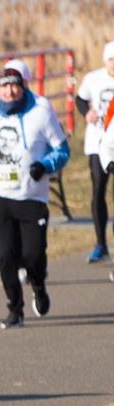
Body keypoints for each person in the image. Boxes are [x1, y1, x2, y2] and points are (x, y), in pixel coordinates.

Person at [0, 59, 69, 328]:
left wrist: (44, 165)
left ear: (23, 87)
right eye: (4, 87)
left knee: (34, 256)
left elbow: (62, 150)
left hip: (32, 198)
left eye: (14, 86)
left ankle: (38, 285)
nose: (9, 92)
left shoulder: (41, 112)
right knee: (5, 256)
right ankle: (15, 310)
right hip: (0, 198)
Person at [79, 41, 114, 262]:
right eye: (111, 59)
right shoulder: (93, 78)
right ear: (104, 60)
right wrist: (86, 113)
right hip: (97, 143)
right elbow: (80, 99)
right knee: (98, 190)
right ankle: (101, 244)